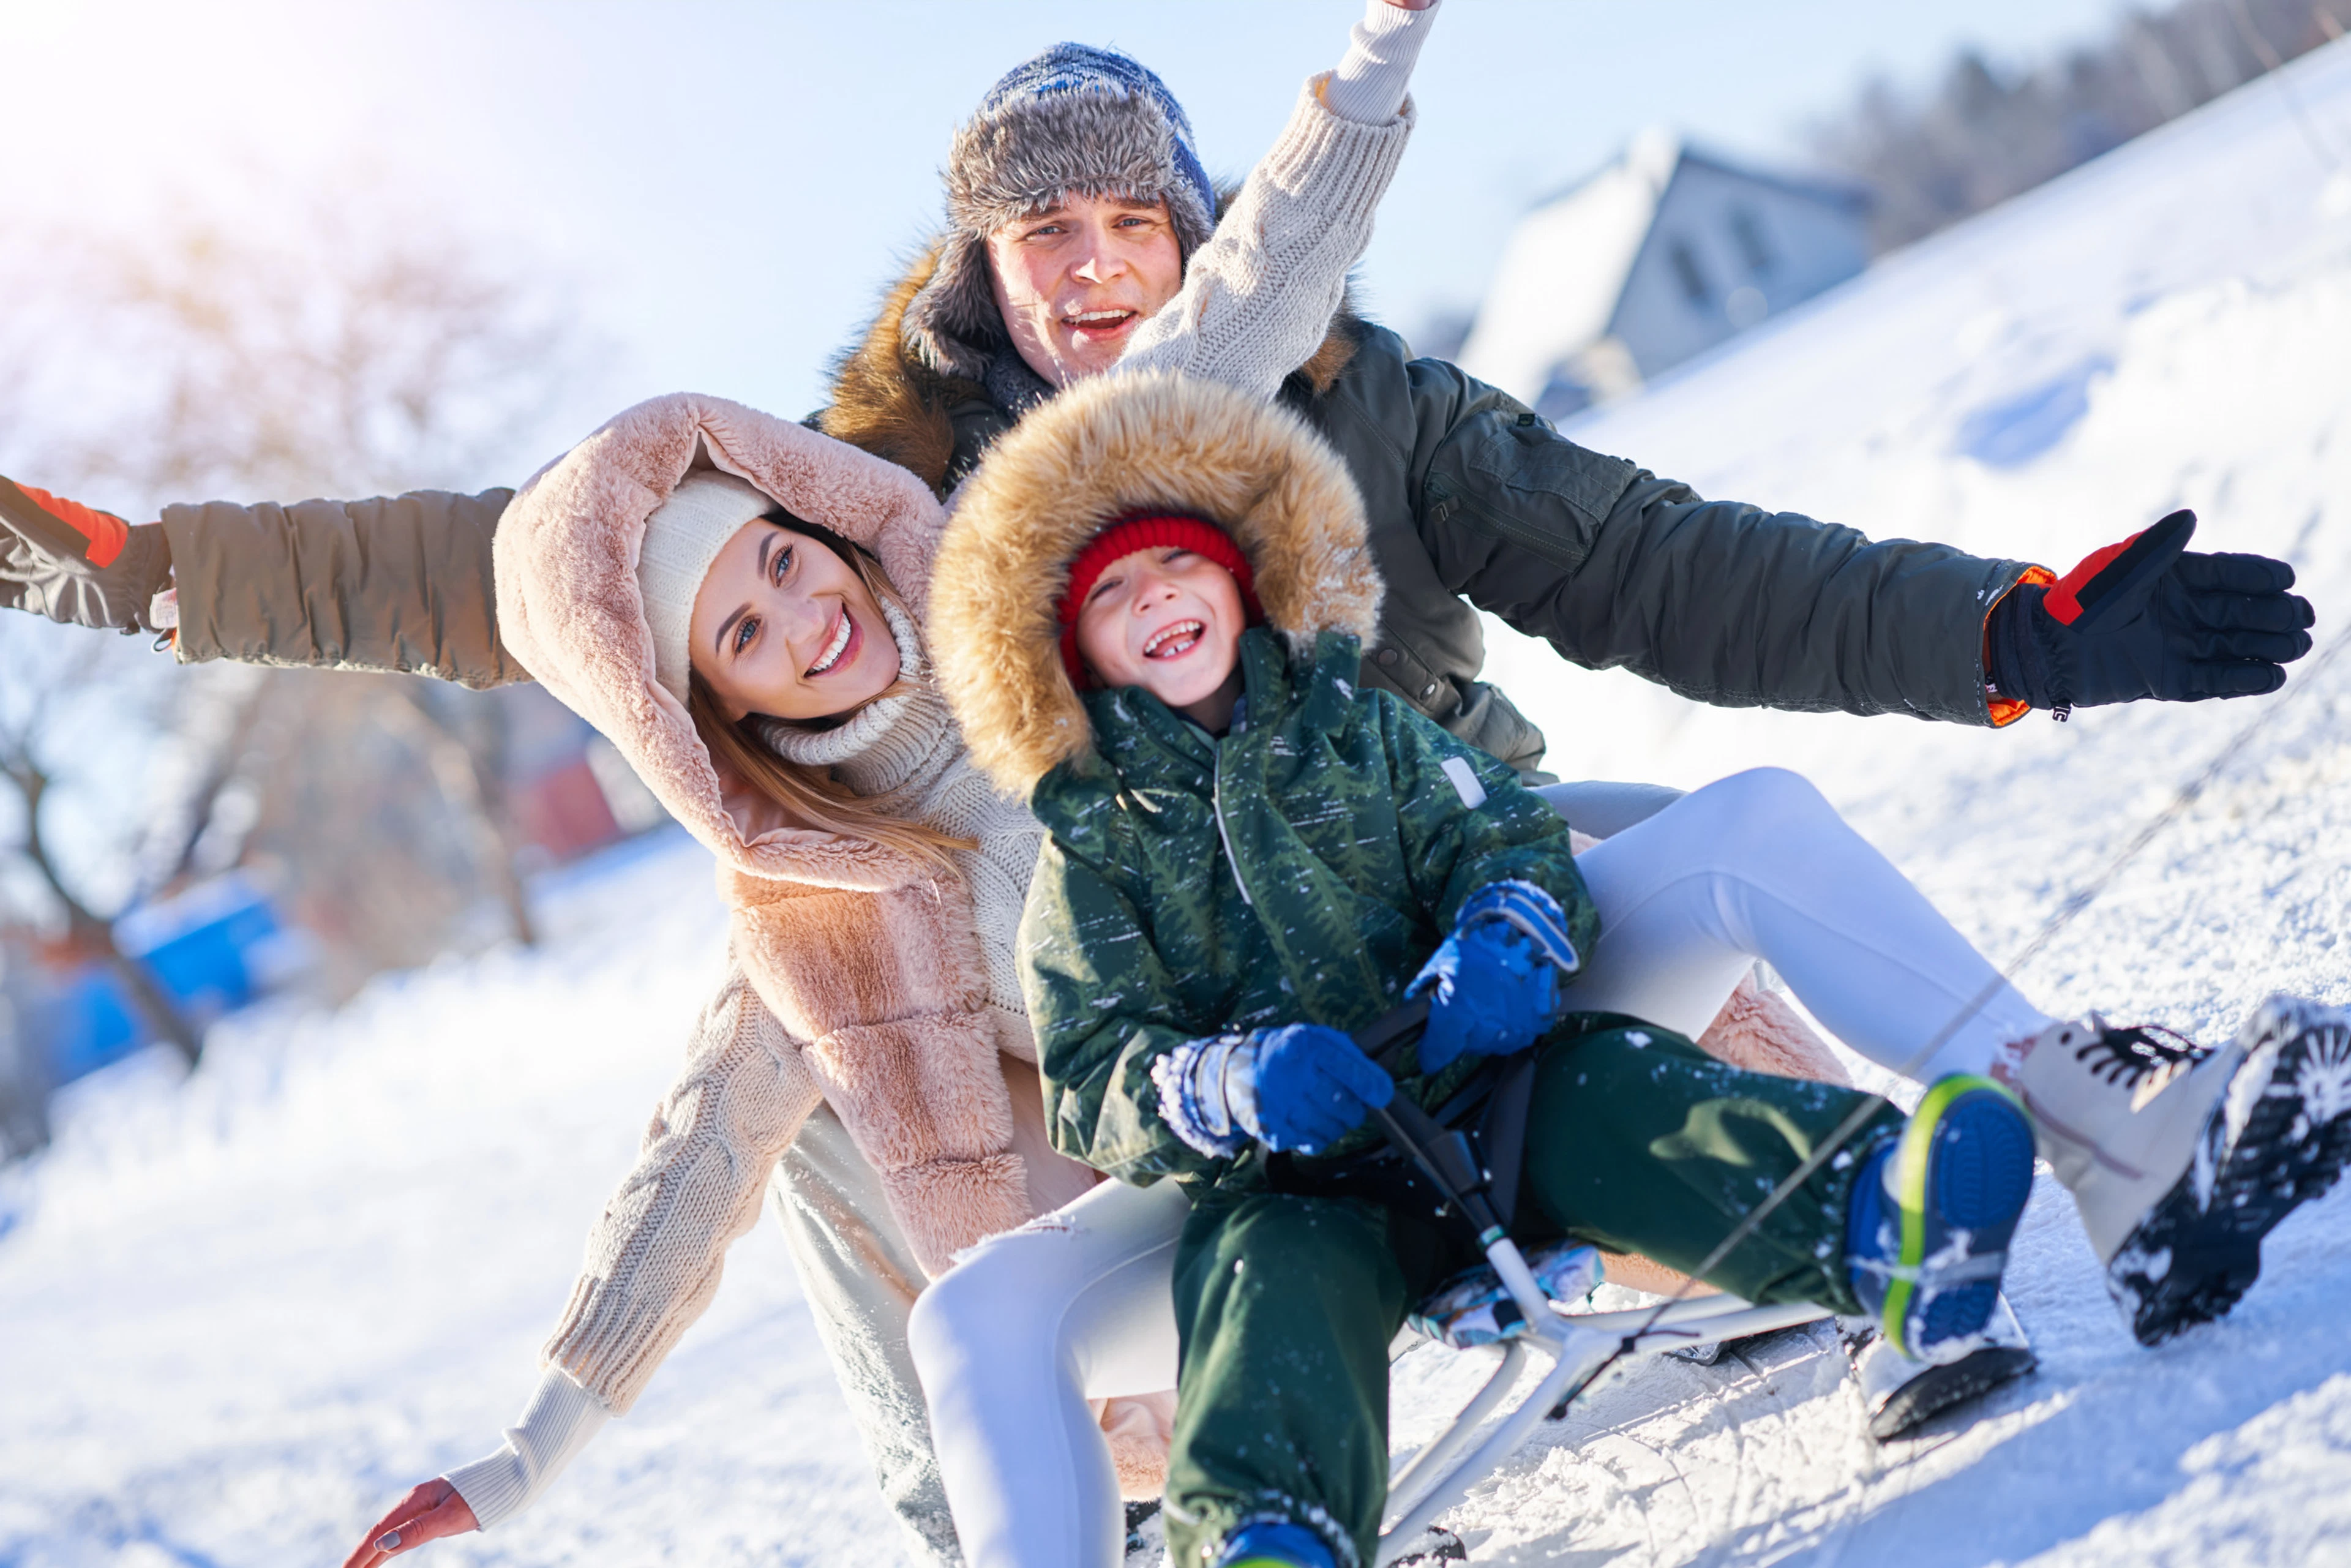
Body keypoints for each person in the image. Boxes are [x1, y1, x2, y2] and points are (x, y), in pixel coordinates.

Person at [321, 10, 1473, 1563]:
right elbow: (692, 1165)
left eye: (784, 560)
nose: (807, 620)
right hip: (1200, 1154)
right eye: (744, 632)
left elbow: (1236, 312)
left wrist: (1376, 62)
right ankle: (1019, 1513)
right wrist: (532, 1446)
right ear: (715, 707)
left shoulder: (1012, 569)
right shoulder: (818, 893)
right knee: (811, 1108)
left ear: (821, 520)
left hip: (1349, 1011)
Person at [916, 368, 2351, 1568]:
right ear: (1068, 658)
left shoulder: (1362, 723)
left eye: (1182, 561)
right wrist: (1231, 1083)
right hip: (1293, 1174)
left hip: (1494, 1077)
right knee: (1266, 1286)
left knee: (1632, 1099)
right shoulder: (1096, 843)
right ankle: (1268, 1536)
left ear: (1246, 573)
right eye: (1115, 593)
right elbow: (1095, 1063)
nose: (1159, 597)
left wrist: (1509, 931)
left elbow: (1510, 827)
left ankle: (1888, 1216)